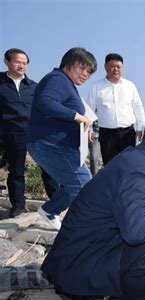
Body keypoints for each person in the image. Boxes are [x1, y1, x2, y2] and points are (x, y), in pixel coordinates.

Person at [41, 113, 145, 300]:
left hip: (82, 252)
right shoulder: (140, 171)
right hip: (77, 267)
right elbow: (137, 233)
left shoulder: (137, 158)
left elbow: (138, 198)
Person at [27, 47, 97, 230]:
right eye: (82, 68)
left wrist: (82, 128)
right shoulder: (57, 79)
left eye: (89, 72)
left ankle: (50, 211)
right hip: (50, 143)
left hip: (57, 144)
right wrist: (77, 116)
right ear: (68, 63)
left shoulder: (66, 83)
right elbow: (46, 102)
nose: (85, 74)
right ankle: (81, 229)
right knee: (82, 186)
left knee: (74, 182)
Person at [0, 48, 58, 218]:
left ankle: (56, 202)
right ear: (7, 62)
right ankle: (18, 206)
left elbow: (45, 108)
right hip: (11, 133)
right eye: (18, 62)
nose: (21, 66)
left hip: (35, 132)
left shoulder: (34, 86)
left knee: (48, 168)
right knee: (16, 171)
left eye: (25, 63)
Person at [87, 53, 145, 165]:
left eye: (119, 67)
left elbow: (138, 107)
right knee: (110, 166)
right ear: (105, 67)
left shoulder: (130, 86)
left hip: (128, 133)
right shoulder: (96, 87)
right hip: (107, 135)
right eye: (112, 66)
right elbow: (89, 110)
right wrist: (89, 130)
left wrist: (140, 126)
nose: (116, 69)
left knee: (128, 165)